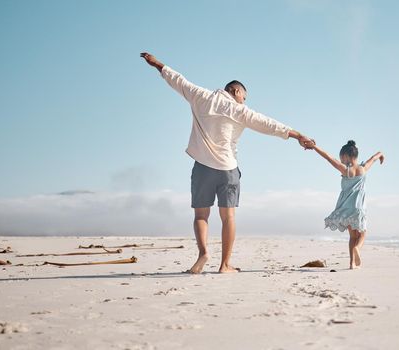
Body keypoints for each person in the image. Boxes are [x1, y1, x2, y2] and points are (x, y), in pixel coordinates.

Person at [140, 52, 314, 274]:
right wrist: (298, 135)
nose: (245, 101)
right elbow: (269, 125)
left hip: (202, 167)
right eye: (245, 96)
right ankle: (225, 265)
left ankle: (203, 253)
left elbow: (177, 79)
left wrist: (157, 64)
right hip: (228, 169)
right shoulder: (240, 110)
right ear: (237, 91)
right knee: (228, 217)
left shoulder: (200, 96)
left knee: (201, 215)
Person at [304, 140, 384, 269]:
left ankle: (352, 263)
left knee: (352, 236)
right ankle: (358, 248)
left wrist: (314, 147)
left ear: (346, 156)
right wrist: (380, 154)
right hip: (358, 208)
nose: (340, 160)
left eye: (341, 158)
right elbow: (373, 159)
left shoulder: (345, 170)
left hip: (346, 208)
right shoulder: (363, 169)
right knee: (362, 233)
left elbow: (328, 158)